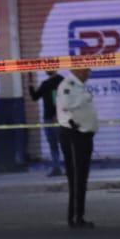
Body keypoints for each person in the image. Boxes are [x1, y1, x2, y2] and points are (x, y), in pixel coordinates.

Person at [56, 67, 98, 228]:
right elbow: (67, 104)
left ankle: (79, 215)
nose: (88, 73)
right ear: (78, 70)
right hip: (74, 136)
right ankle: (75, 217)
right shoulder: (69, 85)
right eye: (87, 70)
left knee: (82, 178)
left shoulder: (77, 86)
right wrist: (85, 98)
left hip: (83, 136)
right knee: (76, 178)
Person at [27, 70, 65, 176]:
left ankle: (70, 168)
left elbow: (63, 99)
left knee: (63, 144)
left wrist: (58, 114)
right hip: (48, 118)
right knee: (53, 144)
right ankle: (57, 168)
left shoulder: (61, 81)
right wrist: (30, 86)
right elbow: (35, 97)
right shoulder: (45, 84)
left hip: (58, 118)